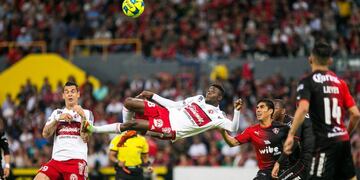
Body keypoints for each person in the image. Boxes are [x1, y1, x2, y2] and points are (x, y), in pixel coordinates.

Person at [283, 42, 360, 180]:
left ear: (310, 59)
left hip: (324, 143)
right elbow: (356, 114)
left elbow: (303, 108)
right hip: (342, 140)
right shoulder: (340, 82)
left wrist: (291, 134)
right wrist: (346, 134)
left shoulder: (308, 81)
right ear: (330, 60)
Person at [83, 84, 242, 141]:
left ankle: (94, 129)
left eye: (213, 91)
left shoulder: (218, 117)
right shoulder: (198, 98)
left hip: (171, 128)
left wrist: (237, 110)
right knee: (128, 102)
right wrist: (153, 96)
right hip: (166, 113)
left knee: (133, 124)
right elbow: (174, 105)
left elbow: (234, 128)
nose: (209, 91)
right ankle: (128, 131)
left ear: (219, 98)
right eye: (210, 89)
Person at [34, 81, 94, 180]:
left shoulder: (87, 113)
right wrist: (57, 119)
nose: (69, 94)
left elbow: (85, 138)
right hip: (56, 161)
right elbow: (45, 134)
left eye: (73, 91)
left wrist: (82, 116)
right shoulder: (57, 113)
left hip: (76, 160)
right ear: (63, 95)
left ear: (78, 94)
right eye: (66, 92)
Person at [220, 99, 289, 180]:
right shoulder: (252, 131)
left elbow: (294, 145)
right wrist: (222, 129)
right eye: (257, 108)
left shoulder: (283, 128)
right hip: (265, 172)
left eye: (262, 107)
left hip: (284, 170)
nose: (258, 110)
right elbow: (232, 142)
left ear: (270, 111)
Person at [271, 99, 314, 180]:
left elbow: (293, 142)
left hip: (304, 162)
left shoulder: (296, 120)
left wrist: (279, 162)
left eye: (275, 108)